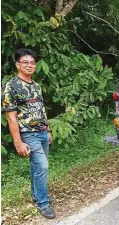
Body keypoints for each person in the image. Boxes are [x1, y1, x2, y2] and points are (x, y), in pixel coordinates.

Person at [1, 49, 56, 219]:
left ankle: (36, 195)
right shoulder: (11, 86)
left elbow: (41, 110)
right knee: (42, 166)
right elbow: (11, 118)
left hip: (41, 132)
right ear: (18, 64)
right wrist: (18, 142)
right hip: (28, 134)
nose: (29, 65)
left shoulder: (36, 86)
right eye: (25, 62)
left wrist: (47, 129)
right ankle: (43, 203)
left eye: (32, 62)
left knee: (36, 167)